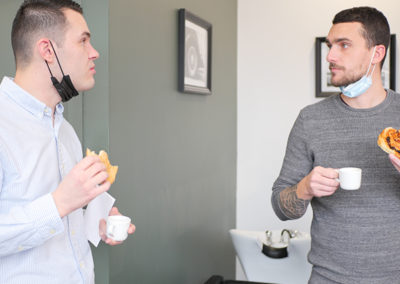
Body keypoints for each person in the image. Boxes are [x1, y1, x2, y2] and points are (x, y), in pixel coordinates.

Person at [0, 1, 135, 283]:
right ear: (48, 51)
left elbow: (59, 218)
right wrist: (60, 202)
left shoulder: (65, 130)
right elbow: (56, 204)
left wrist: (95, 218)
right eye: (83, 41)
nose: (94, 53)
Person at [271, 6, 400, 284]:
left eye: (344, 45)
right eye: (330, 46)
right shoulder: (310, 119)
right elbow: (281, 208)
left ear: (376, 54)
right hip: (328, 279)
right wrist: (304, 188)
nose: (330, 55)